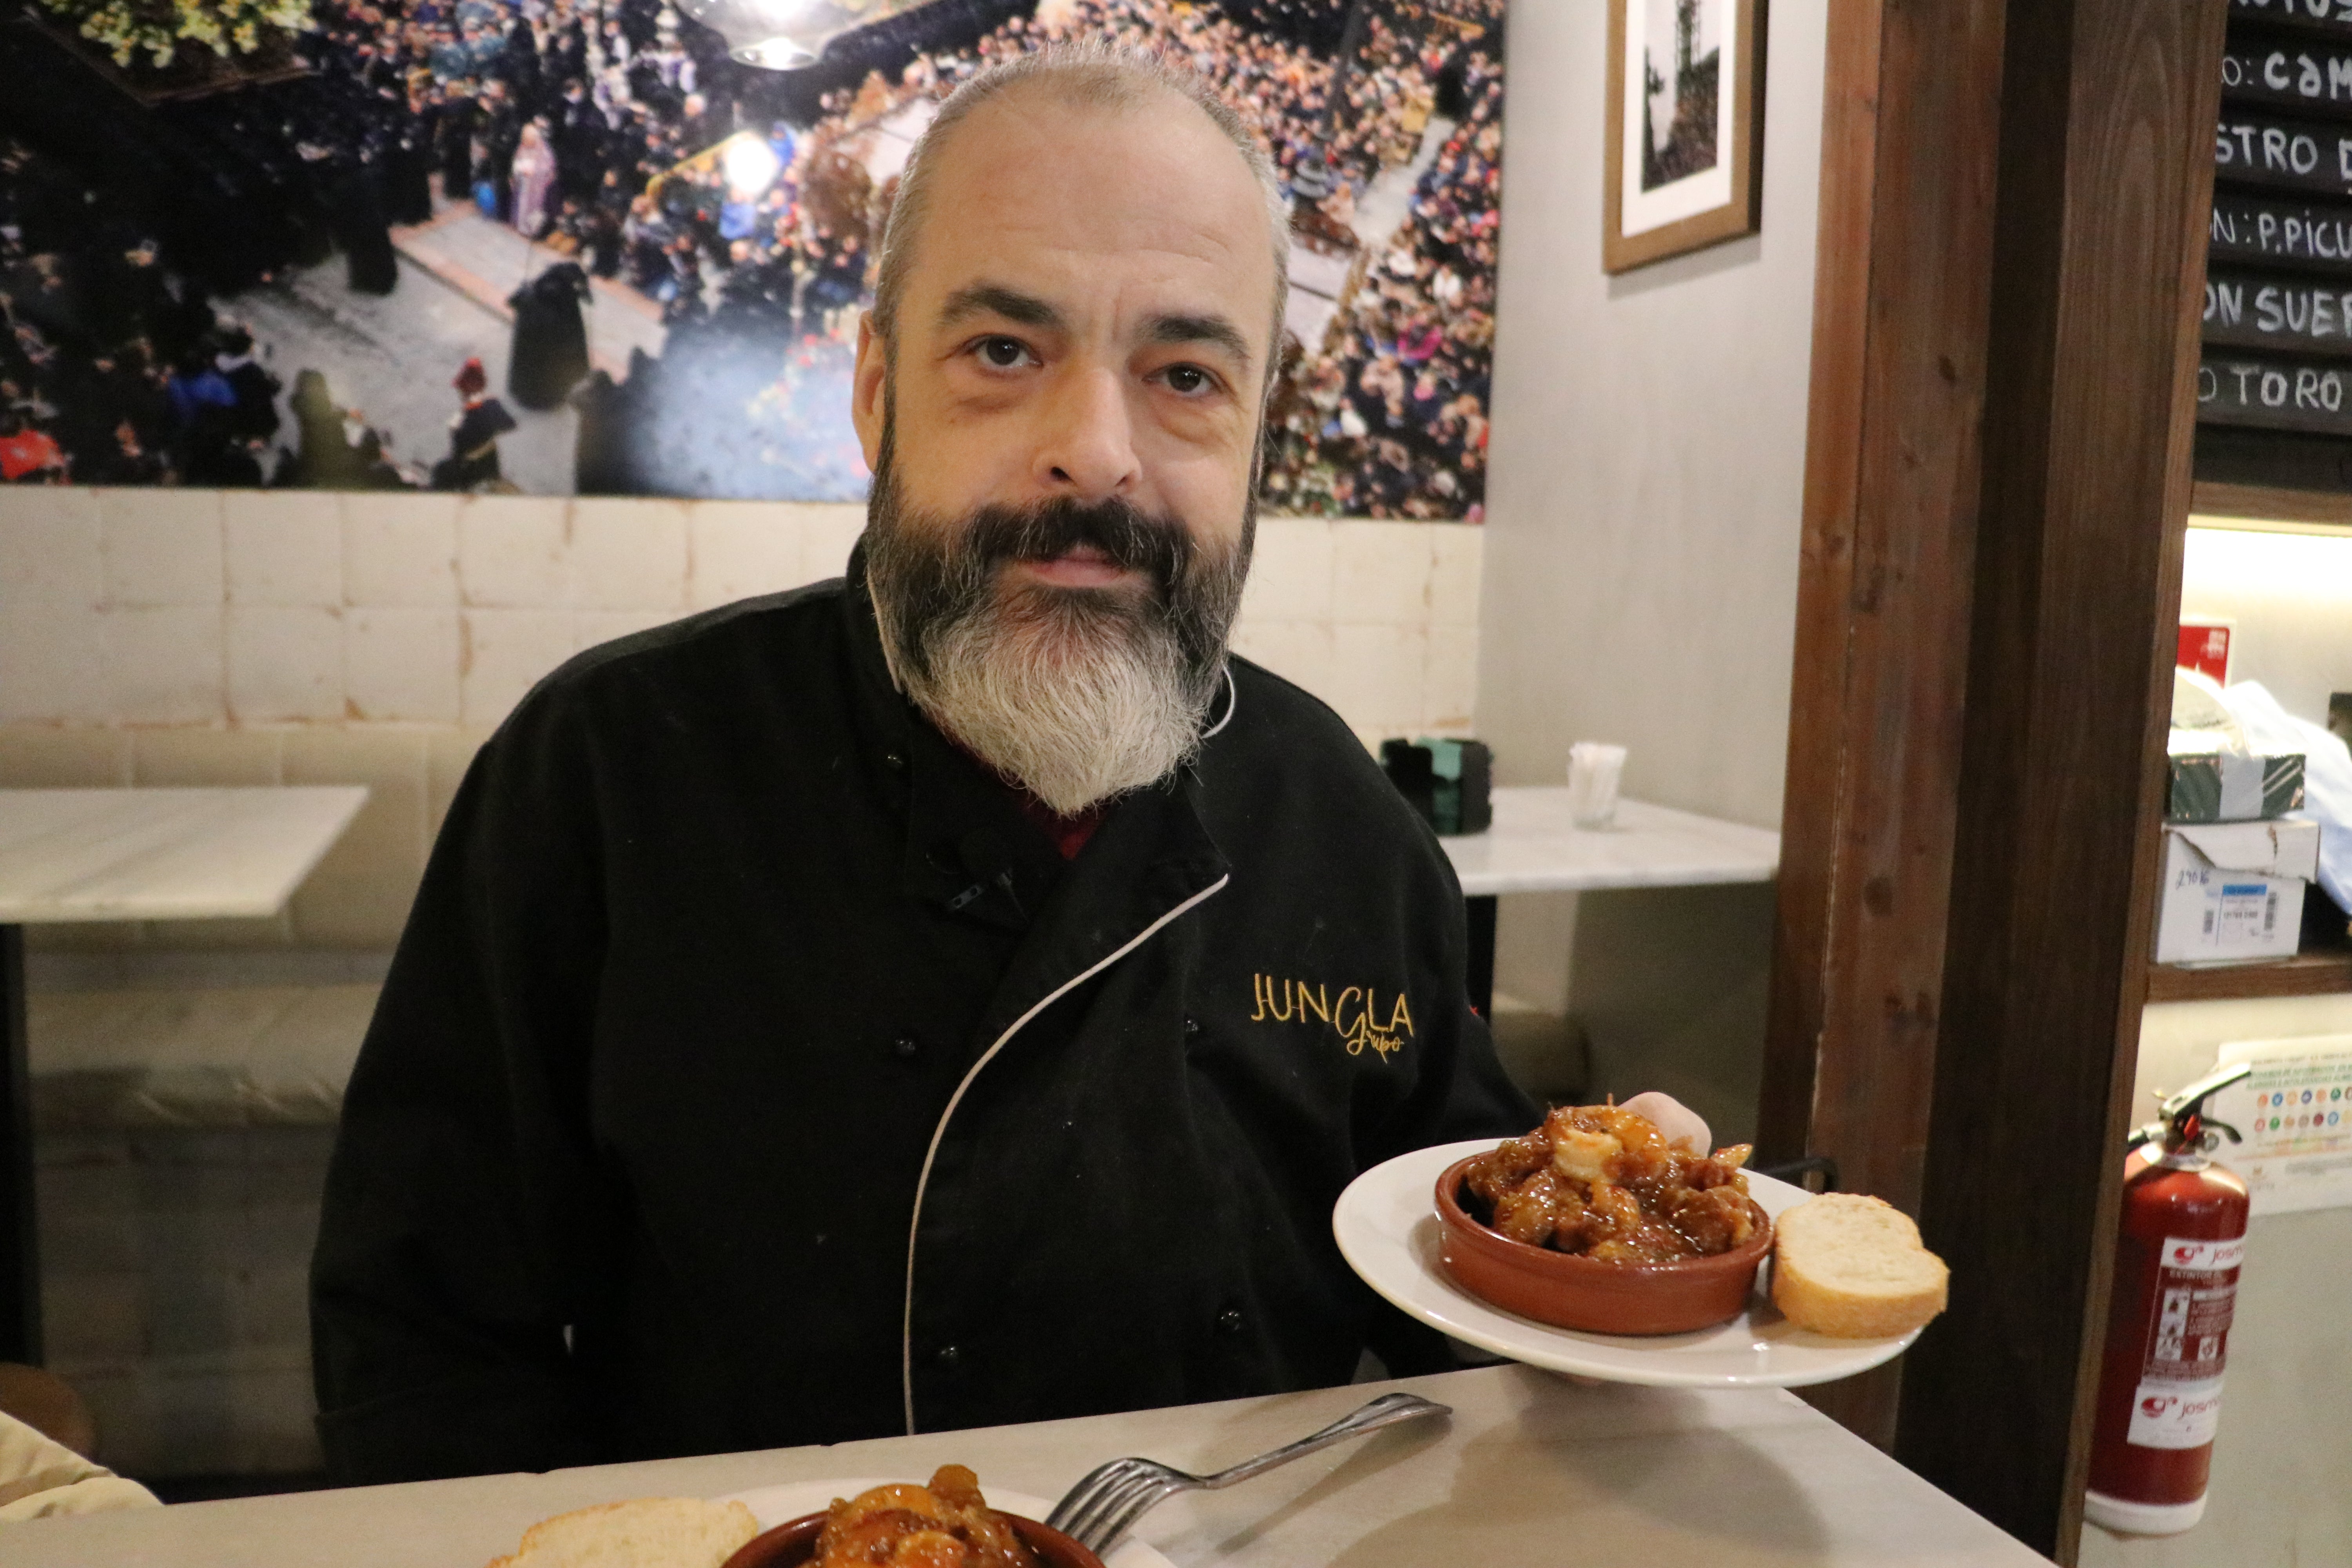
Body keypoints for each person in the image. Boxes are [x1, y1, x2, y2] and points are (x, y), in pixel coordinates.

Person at [310, 44, 1534, 1485]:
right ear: (878, 397)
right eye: (1003, 353)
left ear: (1257, 433)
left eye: (1186, 374)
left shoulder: (1340, 816)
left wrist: (1639, 1248)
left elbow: (1485, 1280)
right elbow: (427, 1347)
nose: (1093, 454)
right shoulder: (612, 773)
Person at [430, 356, 517, 490]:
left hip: (472, 472)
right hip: (491, 465)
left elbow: (459, 452)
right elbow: (510, 424)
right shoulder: (493, 404)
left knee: (441, 472)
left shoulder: (460, 422)